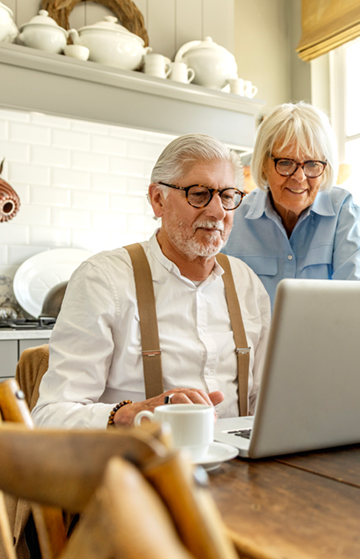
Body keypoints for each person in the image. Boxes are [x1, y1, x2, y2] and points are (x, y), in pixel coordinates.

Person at [32, 134, 271, 428]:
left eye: (227, 196)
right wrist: (132, 412)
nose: (218, 211)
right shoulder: (103, 279)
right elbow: (50, 416)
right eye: (199, 193)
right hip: (138, 467)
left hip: (240, 464)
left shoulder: (246, 283)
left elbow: (266, 400)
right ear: (158, 200)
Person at [223, 102, 360, 307]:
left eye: (312, 164)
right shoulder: (234, 220)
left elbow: (359, 301)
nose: (300, 177)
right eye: (285, 163)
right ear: (264, 164)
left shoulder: (343, 212)